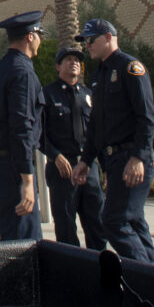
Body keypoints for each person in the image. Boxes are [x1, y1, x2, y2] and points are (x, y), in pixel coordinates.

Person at [72, 18, 154, 264]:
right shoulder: (100, 74)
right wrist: (86, 160)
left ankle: (146, 278)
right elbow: (97, 124)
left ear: (109, 37)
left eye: (91, 40)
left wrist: (139, 157)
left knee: (114, 220)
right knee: (133, 221)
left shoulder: (130, 67)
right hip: (114, 159)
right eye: (85, 41)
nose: (87, 46)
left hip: (131, 156)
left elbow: (147, 117)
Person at [0, 11, 45, 241]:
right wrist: (27, 179)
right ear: (30, 37)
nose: (40, 40)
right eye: (39, 34)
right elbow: (21, 126)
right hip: (13, 166)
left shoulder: (2, 68)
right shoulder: (23, 72)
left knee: (12, 235)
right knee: (24, 243)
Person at [38, 46, 104, 250]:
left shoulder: (88, 94)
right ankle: (73, 273)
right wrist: (55, 156)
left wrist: (104, 166)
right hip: (62, 169)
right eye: (68, 59)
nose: (74, 62)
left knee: (97, 225)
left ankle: (99, 271)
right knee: (66, 227)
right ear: (58, 66)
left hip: (88, 167)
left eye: (77, 60)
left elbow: (99, 132)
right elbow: (39, 133)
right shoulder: (47, 94)